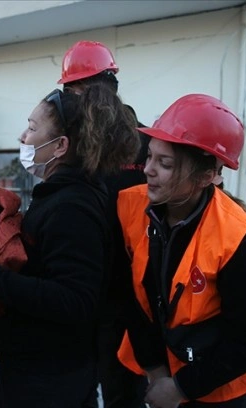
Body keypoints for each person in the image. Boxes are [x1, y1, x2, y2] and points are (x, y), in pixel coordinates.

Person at [0, 84, 141, 407]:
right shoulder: (63, 193)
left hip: (50, 382)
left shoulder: (73, 207)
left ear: (60, 146)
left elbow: (76, 299)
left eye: (32, 128)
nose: (23, 136)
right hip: (39, 370)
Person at [116, 94, 246, 407]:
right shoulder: (131, 206)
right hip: (162, 374)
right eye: (149, 157)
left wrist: (181, 388)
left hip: (222, 390)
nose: (148, 170)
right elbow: (133, 296)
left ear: (207, 176)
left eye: (164, 163)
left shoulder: (240, 238)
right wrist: (156, 371)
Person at [59, 39, 149, 407]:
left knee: (120, 388)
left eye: (72, 90)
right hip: (90, 285)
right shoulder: (72, 143)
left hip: (124, 290)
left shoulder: (144, 143)